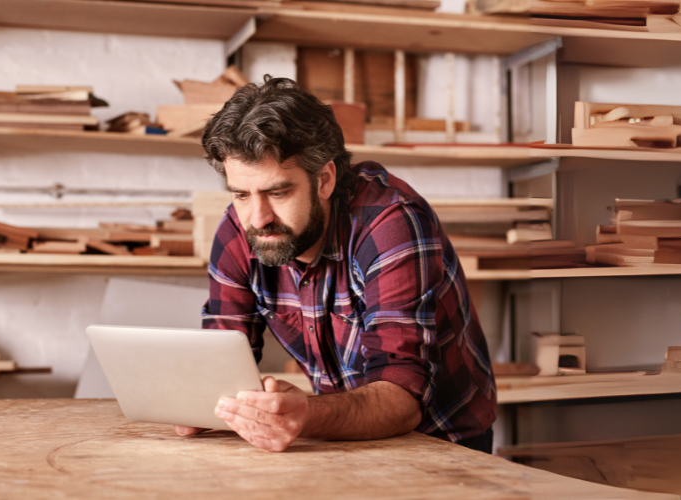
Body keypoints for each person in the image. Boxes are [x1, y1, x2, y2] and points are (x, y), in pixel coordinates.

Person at [181, 76, 496, 453]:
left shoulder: (391, 224)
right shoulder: (239, 229)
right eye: (241, 195)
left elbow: (403, 397)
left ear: (324, 179)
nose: (257, 218)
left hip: (440, 442)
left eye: (278, 191)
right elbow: (220, 363)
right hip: (337, 433)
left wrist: (307, 414)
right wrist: (200, 403)